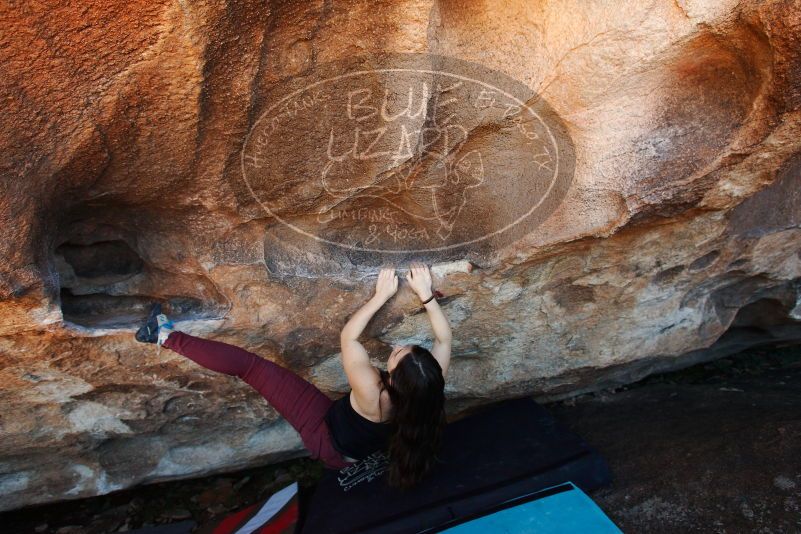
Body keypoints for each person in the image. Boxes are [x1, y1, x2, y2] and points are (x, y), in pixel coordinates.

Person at [135, 262, 452, 490]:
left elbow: (349, 337)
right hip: (356, 449)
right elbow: (444, 340)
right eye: (404, 348)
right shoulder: (428, 387)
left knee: (251, 368)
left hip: (326, 438)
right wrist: (426, 295)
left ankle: (163, 335)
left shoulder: (373, 391)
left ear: (392, 381)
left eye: (395, 355)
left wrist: (380, 296)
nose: (395, 347)